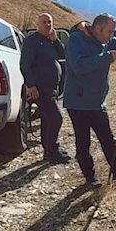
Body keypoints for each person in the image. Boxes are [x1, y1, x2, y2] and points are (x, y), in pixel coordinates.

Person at [63, 13, 116, 187]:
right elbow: (79, 66)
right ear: (98, 28)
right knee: (84, 142)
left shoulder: (105, 40)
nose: (112, 35)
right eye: (109, 31)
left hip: (96, 101)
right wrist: (106, 57)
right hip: (78, 103)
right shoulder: (76, 40)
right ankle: (90, 178)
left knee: (107, 139)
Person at [19, 13, 71, 164]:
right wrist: (31, 85)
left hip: (52, 88)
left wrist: (55, 41)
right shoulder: (32, 41)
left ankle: (48, 152)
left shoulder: (49, 40)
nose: (48, 24)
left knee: (47, 119)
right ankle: (53, 151)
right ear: (37, 24)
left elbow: (62, 54)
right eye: (44, 22)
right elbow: (25, 65)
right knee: (56, 118)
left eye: (50, 22)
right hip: (40, 89)